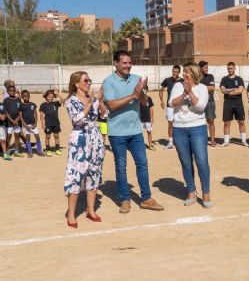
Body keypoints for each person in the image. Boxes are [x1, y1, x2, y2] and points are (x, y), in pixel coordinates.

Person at [102, 50, 164, 213]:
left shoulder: (136, 79)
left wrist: (142, 92)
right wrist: (133, 95)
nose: (128, 65)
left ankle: (146, 198)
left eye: (129, 62)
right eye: (124, 63)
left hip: (136, 131)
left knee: (142, 164)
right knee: (121, 167)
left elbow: (143, 102)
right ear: (115, 63)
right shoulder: (108, 82)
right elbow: (112, 105)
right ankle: (124, 199)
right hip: (117, 133)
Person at [63, 71, 106, 228]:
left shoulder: (92, 99)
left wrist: (99, 101)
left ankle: (90, 210)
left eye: (89, 80)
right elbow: (77, 119)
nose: (89, 83)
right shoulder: (70, 101)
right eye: (86, 80)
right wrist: (90, 103)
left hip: (95, 138)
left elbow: (104, 114)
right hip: (80, 140)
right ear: (76, 83)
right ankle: (71, 213)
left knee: (94, 174)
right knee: (76, 175)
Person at [169, 63, 212, 208]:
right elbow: (171, 103)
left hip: (197, 129)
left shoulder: (202, 88)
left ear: (193, 73)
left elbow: (200, 107)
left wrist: (190, 93)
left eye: (186, 72)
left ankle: (206, 194)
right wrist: (183, 94)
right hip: (179, 129)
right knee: (186, 162)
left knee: (201, 161)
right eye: (183, 72)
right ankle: (191, 192)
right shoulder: (177, 86)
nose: (183, 75)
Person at [220, 61, 248, 147]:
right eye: (228, 68)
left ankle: (243, 140)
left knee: (241, 122)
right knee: (227, 123)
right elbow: (222, 90)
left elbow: (240, 91)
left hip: (238, 103)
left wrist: (228, 91)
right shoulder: (224, 79)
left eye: (231, 68)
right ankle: (226, 141)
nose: (230, 70)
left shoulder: (239, 79)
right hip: (228, 103)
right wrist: (233, 89)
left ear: (235, 68)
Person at [158, 65, 183, 150]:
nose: (174, 73)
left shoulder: (183, 81)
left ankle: (181, 141)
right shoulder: (167, 80)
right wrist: (161, 101)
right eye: (173, 71)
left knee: (181, 122)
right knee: (170, 123)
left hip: (180, 106)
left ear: (179, 72)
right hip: (170, 106)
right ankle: (171, 142)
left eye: (176, 72)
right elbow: (161, 90)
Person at [19, 90, 45, 157]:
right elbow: (20, 116)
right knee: (28, 138)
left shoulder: (33, 104)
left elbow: (35, 114)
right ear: (22, 97)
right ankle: (30, 152)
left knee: (37, 137)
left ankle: (39, 151)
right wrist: (25, 125)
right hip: (26, 125)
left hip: (33, 124)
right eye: (24, 96)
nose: (26, 97)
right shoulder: (21, 105)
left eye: (28, 96)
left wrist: (35, 123)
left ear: (29, 96)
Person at [39, 89, 64, 156]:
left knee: (56, 136)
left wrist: (58, 93)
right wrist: (43, 124)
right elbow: (41, 116)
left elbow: (63, 100)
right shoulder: (43, 105)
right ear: (46, 97)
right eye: (49, 96)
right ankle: (48, 149)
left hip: (56, 123)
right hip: (48, 124)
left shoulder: (55, 103)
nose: (51, 98)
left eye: (52, 97)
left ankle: (57, 148)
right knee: (48, 136)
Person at [199, 60, 217, 147]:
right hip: (199, 102)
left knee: (211, 121)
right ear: (200, 68)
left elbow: (212, 88)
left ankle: (212, 140)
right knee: (200, 121)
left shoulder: (210, 76)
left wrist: (200, 87)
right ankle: (202, 139)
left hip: (210, 101)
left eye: (207, 67)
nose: (207, 69)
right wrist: (206, 88)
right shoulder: (196, 77)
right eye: (205, 67)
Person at [4, 86, 25, 157]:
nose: (12, 92)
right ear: (7, 91)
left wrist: (16, 120)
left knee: (17, 136)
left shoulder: (18, 100)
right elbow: (5, 112)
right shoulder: (6, 100)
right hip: (9, 122)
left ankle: (16, 151)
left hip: (18, 122)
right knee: (8, 136)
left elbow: (21, 111)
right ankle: (7, 151)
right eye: (10, 90)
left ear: (15, 91)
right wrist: (12, 120)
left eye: (13, 90)